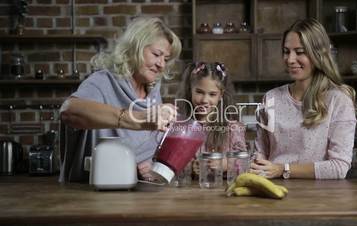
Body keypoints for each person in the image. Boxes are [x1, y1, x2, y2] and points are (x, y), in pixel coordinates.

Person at [59, 16, 182, 182]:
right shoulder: (103, 81)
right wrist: (138, 118)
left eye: (165, 59)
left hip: (135, 192)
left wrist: (151, 166)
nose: (161, 64)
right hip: (89, 194)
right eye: (156, 54)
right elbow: (69, 111)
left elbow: (144, 147)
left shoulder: (153, 91)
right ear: (134, 49)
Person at [251, 18, 357, 180]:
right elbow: (260, 153)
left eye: (300, 52)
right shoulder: (270, 98)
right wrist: (254, 163)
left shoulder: (338, 100)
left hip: (318, 199)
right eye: (286, 51)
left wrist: (283, 169)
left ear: (318, 54)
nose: (290, 59)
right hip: (273, 192)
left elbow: (339, 167)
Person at [176, 62, 247, 175]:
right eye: (199, 92)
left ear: (221, 95)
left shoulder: (233, 128)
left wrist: (225, 164)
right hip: (190, 190)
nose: (204, 100)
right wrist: (190, 166)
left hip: (223, 189)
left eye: (212, 94)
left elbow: (245, 163)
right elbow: (172, 160)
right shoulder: (180, 127)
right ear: (190, 90)